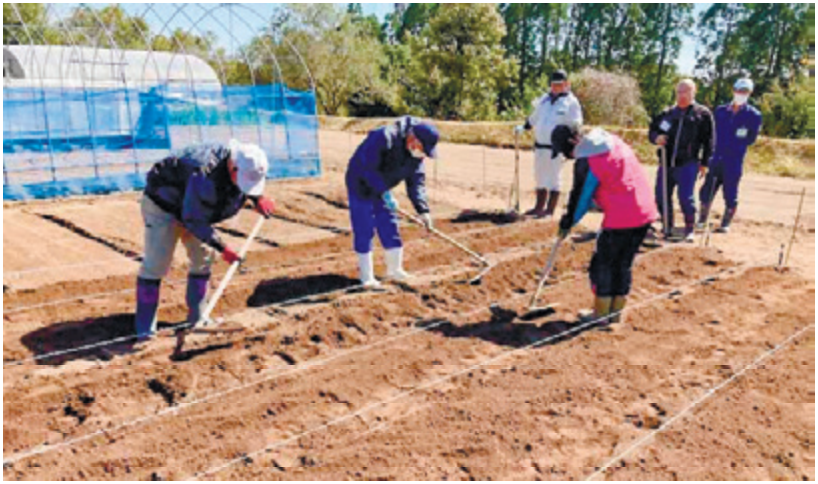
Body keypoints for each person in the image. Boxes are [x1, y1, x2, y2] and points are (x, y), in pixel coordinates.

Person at [134, 140, 276, 341]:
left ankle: (198, 319)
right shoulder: (203, 173)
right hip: (164, 205)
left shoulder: (240, 164)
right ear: (233, 167)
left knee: (204, 259)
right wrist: (224, 248)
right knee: (157, 264)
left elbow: (243, 186)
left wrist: (257, 198)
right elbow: (193, 219)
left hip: (196, 208)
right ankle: (145, 331)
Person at [559, 128, 658, 326]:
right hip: (645, 211)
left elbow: (581, 198)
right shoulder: (613, 141)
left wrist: (568, 222)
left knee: (603, 264)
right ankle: (615, 315)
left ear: (572, 147)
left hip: (622, 217)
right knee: (623, 264)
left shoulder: (587, 160)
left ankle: (600, 316)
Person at [346, 116, 439, 288]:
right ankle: (366, 277)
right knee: (364, 226)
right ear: (413, 139)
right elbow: (368, 169)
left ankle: (394, 269)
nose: (422, 154)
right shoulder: (384, 137)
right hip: (360, 181)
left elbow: (416, 183)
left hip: (384, 185)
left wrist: (423, 210)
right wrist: (385, 193)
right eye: (422, 149)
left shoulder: (416, 156)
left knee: (389, 222)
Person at [648, 79, 714, 242]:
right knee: (661, 195)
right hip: (666, 162)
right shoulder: (668, 114)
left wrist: (705, 163)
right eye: (679, 92)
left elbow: (709, 141)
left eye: (686, 91)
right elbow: (652, 131)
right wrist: (656, 138)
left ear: (694, 92)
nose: (682, 95)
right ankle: (667, 226)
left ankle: (689, 228)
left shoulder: (702, 114)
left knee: (685, 197)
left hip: (688, 163)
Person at [516, 69, 583, 219]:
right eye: (553, 84)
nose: (556, 87)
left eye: (559, 84)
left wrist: (573, 141)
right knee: (539, 175)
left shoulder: (571, 102)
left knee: (554, 178)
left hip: (557, 147)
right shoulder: (544, 100)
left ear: (566, 84)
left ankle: (550, 210)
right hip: (540, 145)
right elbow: (534, 117)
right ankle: (538, 207)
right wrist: (525, 127)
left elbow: (576, 124)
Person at [698, 78, 763, 233]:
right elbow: (711, 133)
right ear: (733, 90)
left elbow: (751, 138)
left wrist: (736, 143)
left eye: (745, 92)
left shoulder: (753, 115)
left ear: (749, 93)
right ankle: (702, 220)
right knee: (707, 190)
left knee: (730, 192)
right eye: (739, 91)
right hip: (716, 157)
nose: (741, 94)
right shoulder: (720, 111)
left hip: (734, 160)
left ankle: (725, 223)